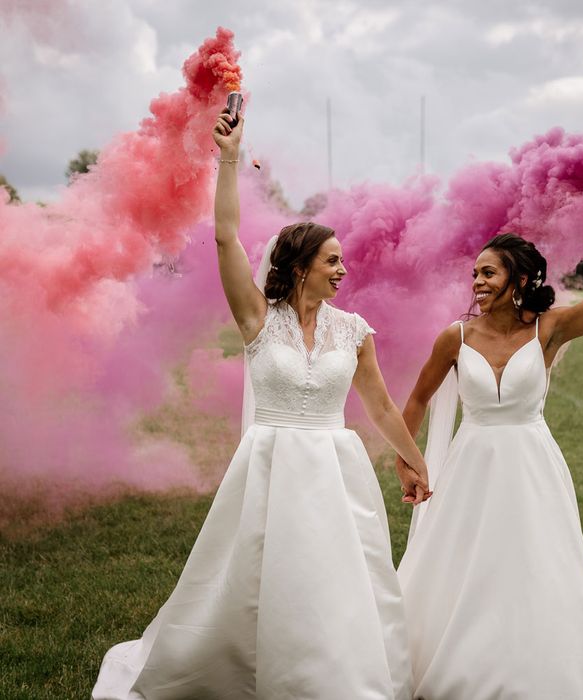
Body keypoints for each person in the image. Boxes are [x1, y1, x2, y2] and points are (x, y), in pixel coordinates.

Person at [92, 109, 430, 699]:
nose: (343, 270)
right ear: (300, 268)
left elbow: (378, 407)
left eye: (343, 260)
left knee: (337, 577)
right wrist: (228, 157)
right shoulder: (256, 319)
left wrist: (412, 458)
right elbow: (225, 237)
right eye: (331, 261)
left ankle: (337, 677)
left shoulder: (354, 331)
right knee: (254, 577)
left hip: (335, 468)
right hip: (270, 465)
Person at [396, 191, 583, 699]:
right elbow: (418, 399)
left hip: (531, 464)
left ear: (518, 280)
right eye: (475, 274)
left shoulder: (549, 329)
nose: (477, 283)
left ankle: (535, 670)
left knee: (532, 563)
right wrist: (410, 462)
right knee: (466, 564)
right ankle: (460, 663)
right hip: (471, 465)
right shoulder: (456, 337)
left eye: (488, 273)